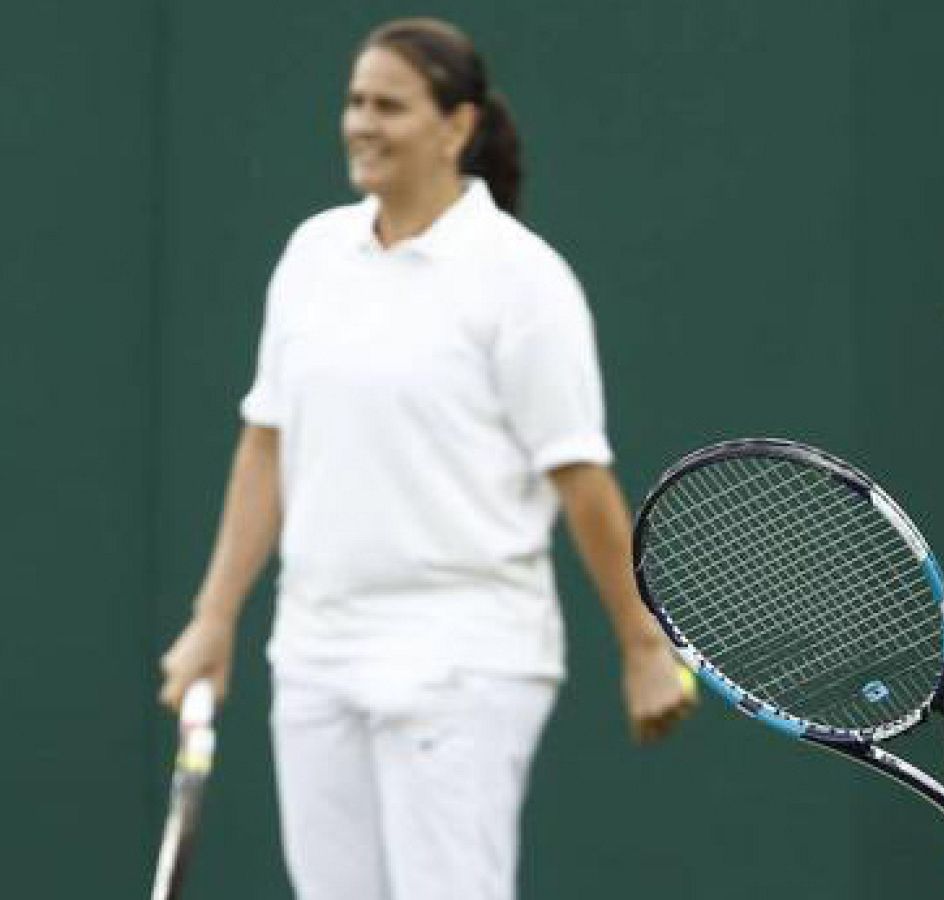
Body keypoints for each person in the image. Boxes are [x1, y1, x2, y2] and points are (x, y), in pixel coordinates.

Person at [156, 17, 695, 900]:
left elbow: (580, 477)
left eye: (388, 106)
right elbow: (266, 444)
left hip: (465, 656)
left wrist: (642, 645)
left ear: (457, 126)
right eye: (354, 102)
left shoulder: (522, 280)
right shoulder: (312, 255)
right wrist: (215, 618)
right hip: (316, 648)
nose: (361, 123)